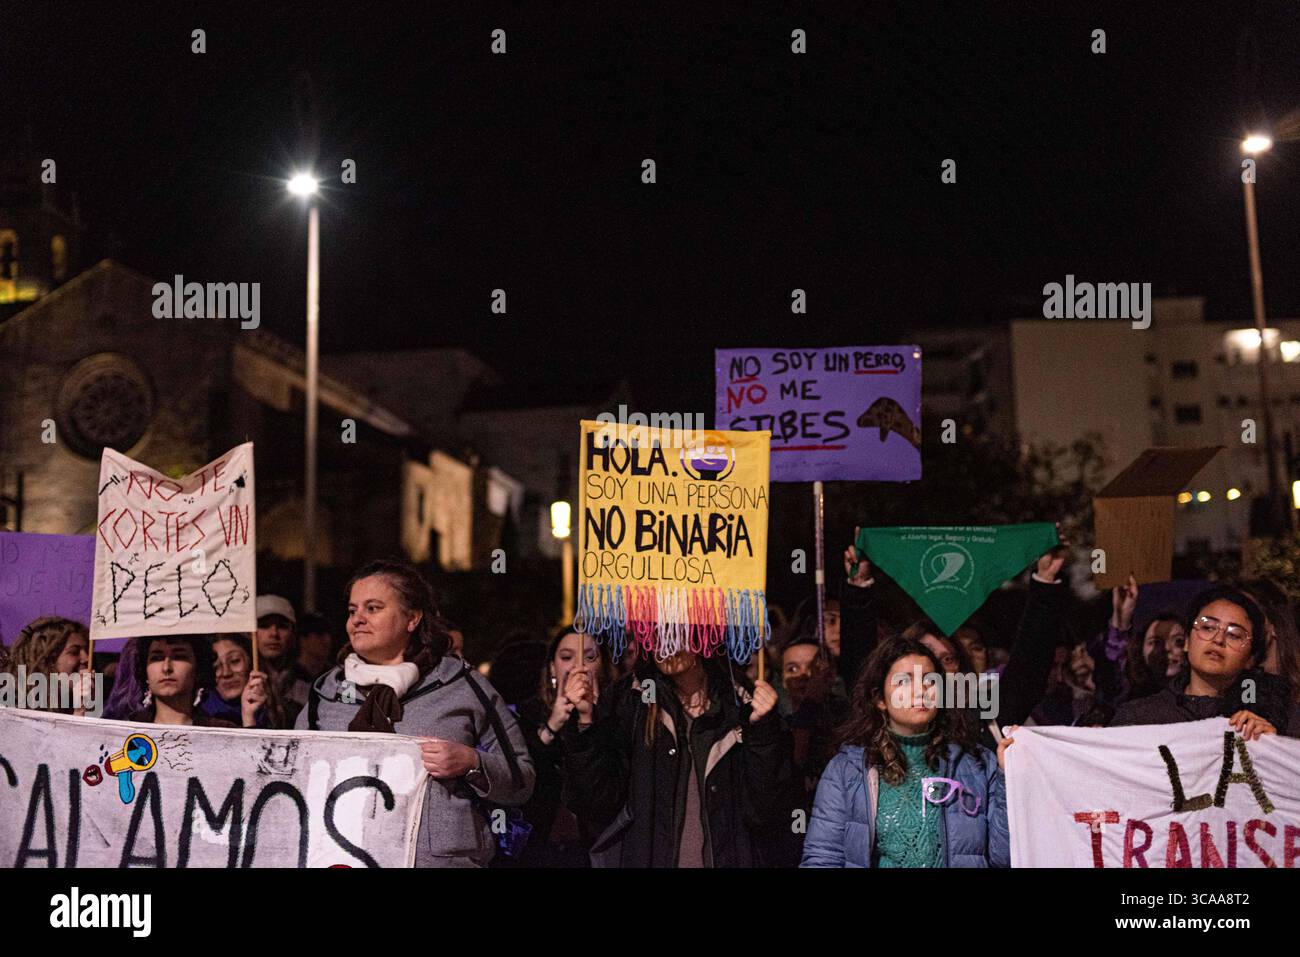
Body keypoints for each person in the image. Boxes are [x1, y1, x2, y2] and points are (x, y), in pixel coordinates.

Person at [296, 560, 535, 868]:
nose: (358, 620)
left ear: (412, 618)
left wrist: (471, 763)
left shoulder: (460, 684)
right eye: (353, 610)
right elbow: (295, 780)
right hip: (341, 859)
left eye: (373, 608)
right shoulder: (325, 693)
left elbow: (521, 778)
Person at [562, 647, 790, 867]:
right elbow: (595, 803)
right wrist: (585, 721)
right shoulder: (628, 699)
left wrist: (763, 732)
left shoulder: (740, 701)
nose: (666, 643)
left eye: (678, 628)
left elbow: (765, 810)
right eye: (656, 631)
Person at [801, 635, 1011, 867]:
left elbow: (1005, 858)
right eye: (904, 681)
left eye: (930, 681)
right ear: (879, 698)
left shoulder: (977, 763)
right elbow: (823, 858)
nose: (921, 690)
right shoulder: (847, 769)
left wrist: (1007, 777)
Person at [1110, 586, 1293, 738]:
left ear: (1251, 658)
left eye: (1234, 635)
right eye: (1207, 627)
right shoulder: (1140, 718)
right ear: (1188, 642)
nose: (1218, 639)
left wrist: (1276, 747)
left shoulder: (1275, 718)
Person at [509, 628, 612, 867]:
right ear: (553, 667)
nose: (578, 667)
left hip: (596, 845)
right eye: (567, 658)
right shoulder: (529, 712)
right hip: (541, 845)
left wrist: (594, 719)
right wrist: (553, 724)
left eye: (590, 657)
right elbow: (519, 775)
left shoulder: (617, 711)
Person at [129, 634, 235, 727]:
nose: (166, 668)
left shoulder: (223, 732)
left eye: (179, 657)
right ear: (145, 671)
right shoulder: (125, 732)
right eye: (156, 658)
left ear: (199, 668)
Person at [4, 617, 92, 713]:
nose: (87, 659)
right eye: (74, 652)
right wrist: (79, 714)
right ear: (47, 660)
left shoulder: (88, 700)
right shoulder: (10, 706)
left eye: (87, 651)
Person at [201, 633, 281, 728]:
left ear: (251, 661)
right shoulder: (201, 720)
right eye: (216, 667)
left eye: (234, 661)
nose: (226, 673)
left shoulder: (286, 712)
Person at [255, 594, 309, 723]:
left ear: (293, 633)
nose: (273, 633)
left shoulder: (311, 684)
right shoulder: (239, 682)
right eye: (264, 625)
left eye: (282, 626)